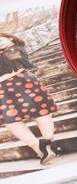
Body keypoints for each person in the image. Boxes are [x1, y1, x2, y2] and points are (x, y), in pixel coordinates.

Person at [0, 33, 60, 163]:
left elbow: (17, 69)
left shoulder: (15, 49)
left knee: (40, 111)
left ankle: (47, 143)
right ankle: (43, 149)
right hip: (4, 90)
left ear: (10, 38)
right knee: (9, 120)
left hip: (23, 84)